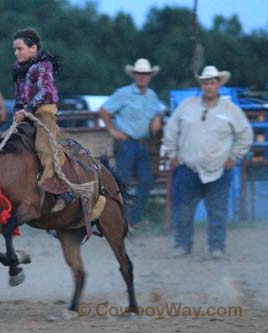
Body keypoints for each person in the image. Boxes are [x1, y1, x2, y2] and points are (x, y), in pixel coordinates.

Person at [163, 65, 253, 259]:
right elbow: (171, 129)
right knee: (183, 210)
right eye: (205, 83)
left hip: (219, 169)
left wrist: (234, 156)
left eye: (212, 82)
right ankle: (182, 245)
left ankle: (216, 247)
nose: (208, 86)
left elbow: (246, 133)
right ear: (202, 85)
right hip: (188, 167)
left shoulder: (231, 110)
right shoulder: (187, 106)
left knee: (217, 212)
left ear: (218, 84)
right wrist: (172, 153)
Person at [99, 58, 164, 226]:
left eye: (145, 74)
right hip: (127, 143)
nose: (143, 77)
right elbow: (104, 110)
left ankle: (134, 219)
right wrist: (112, 130)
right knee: (123, 181)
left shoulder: (152, 96)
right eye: (140, 74)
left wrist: (157, 117)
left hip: (142, 144)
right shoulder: (123, 93)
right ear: (135, 75)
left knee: (146, 180)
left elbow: (159, 110)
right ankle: (120, 218)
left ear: (150, 76)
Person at [12, 28, 69, 213]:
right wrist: (17, 112)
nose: (16, 52)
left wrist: (26, 110)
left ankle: (59, 191)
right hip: (26, 112)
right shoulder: (19, 69)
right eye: (15, 49)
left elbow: (44, 91)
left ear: (33, 48)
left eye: (20, 48)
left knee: (44, 145)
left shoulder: (43, 65)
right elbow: (19, 95)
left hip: (44, 109)